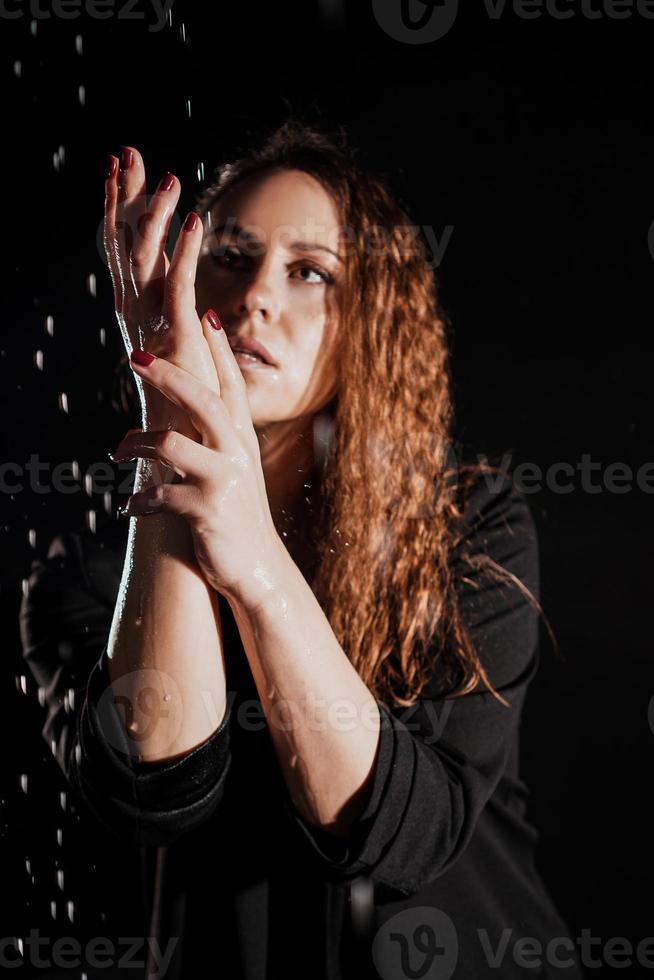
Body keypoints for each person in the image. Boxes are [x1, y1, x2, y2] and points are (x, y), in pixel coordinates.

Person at [19, 121, 584, 979]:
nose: (255, 299)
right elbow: (156, 787)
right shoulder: (87, 580)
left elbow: (402, 832)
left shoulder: (467, 524)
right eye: (229, 257)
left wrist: (252, 559)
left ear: (368, 324)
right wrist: (173, 408)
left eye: (309, 271)